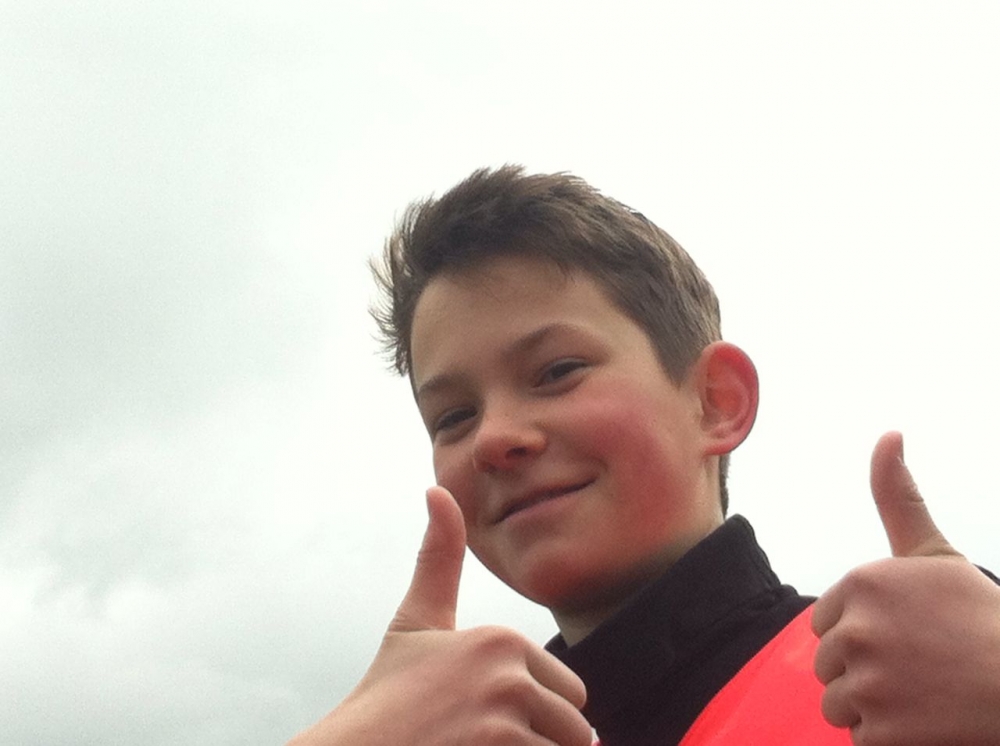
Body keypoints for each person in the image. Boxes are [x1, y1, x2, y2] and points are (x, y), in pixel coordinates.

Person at [288, 167, 1000, 745]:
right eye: (453, 417)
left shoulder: (932, 679)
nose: (494, 437)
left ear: (716, 401)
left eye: (557, 371)